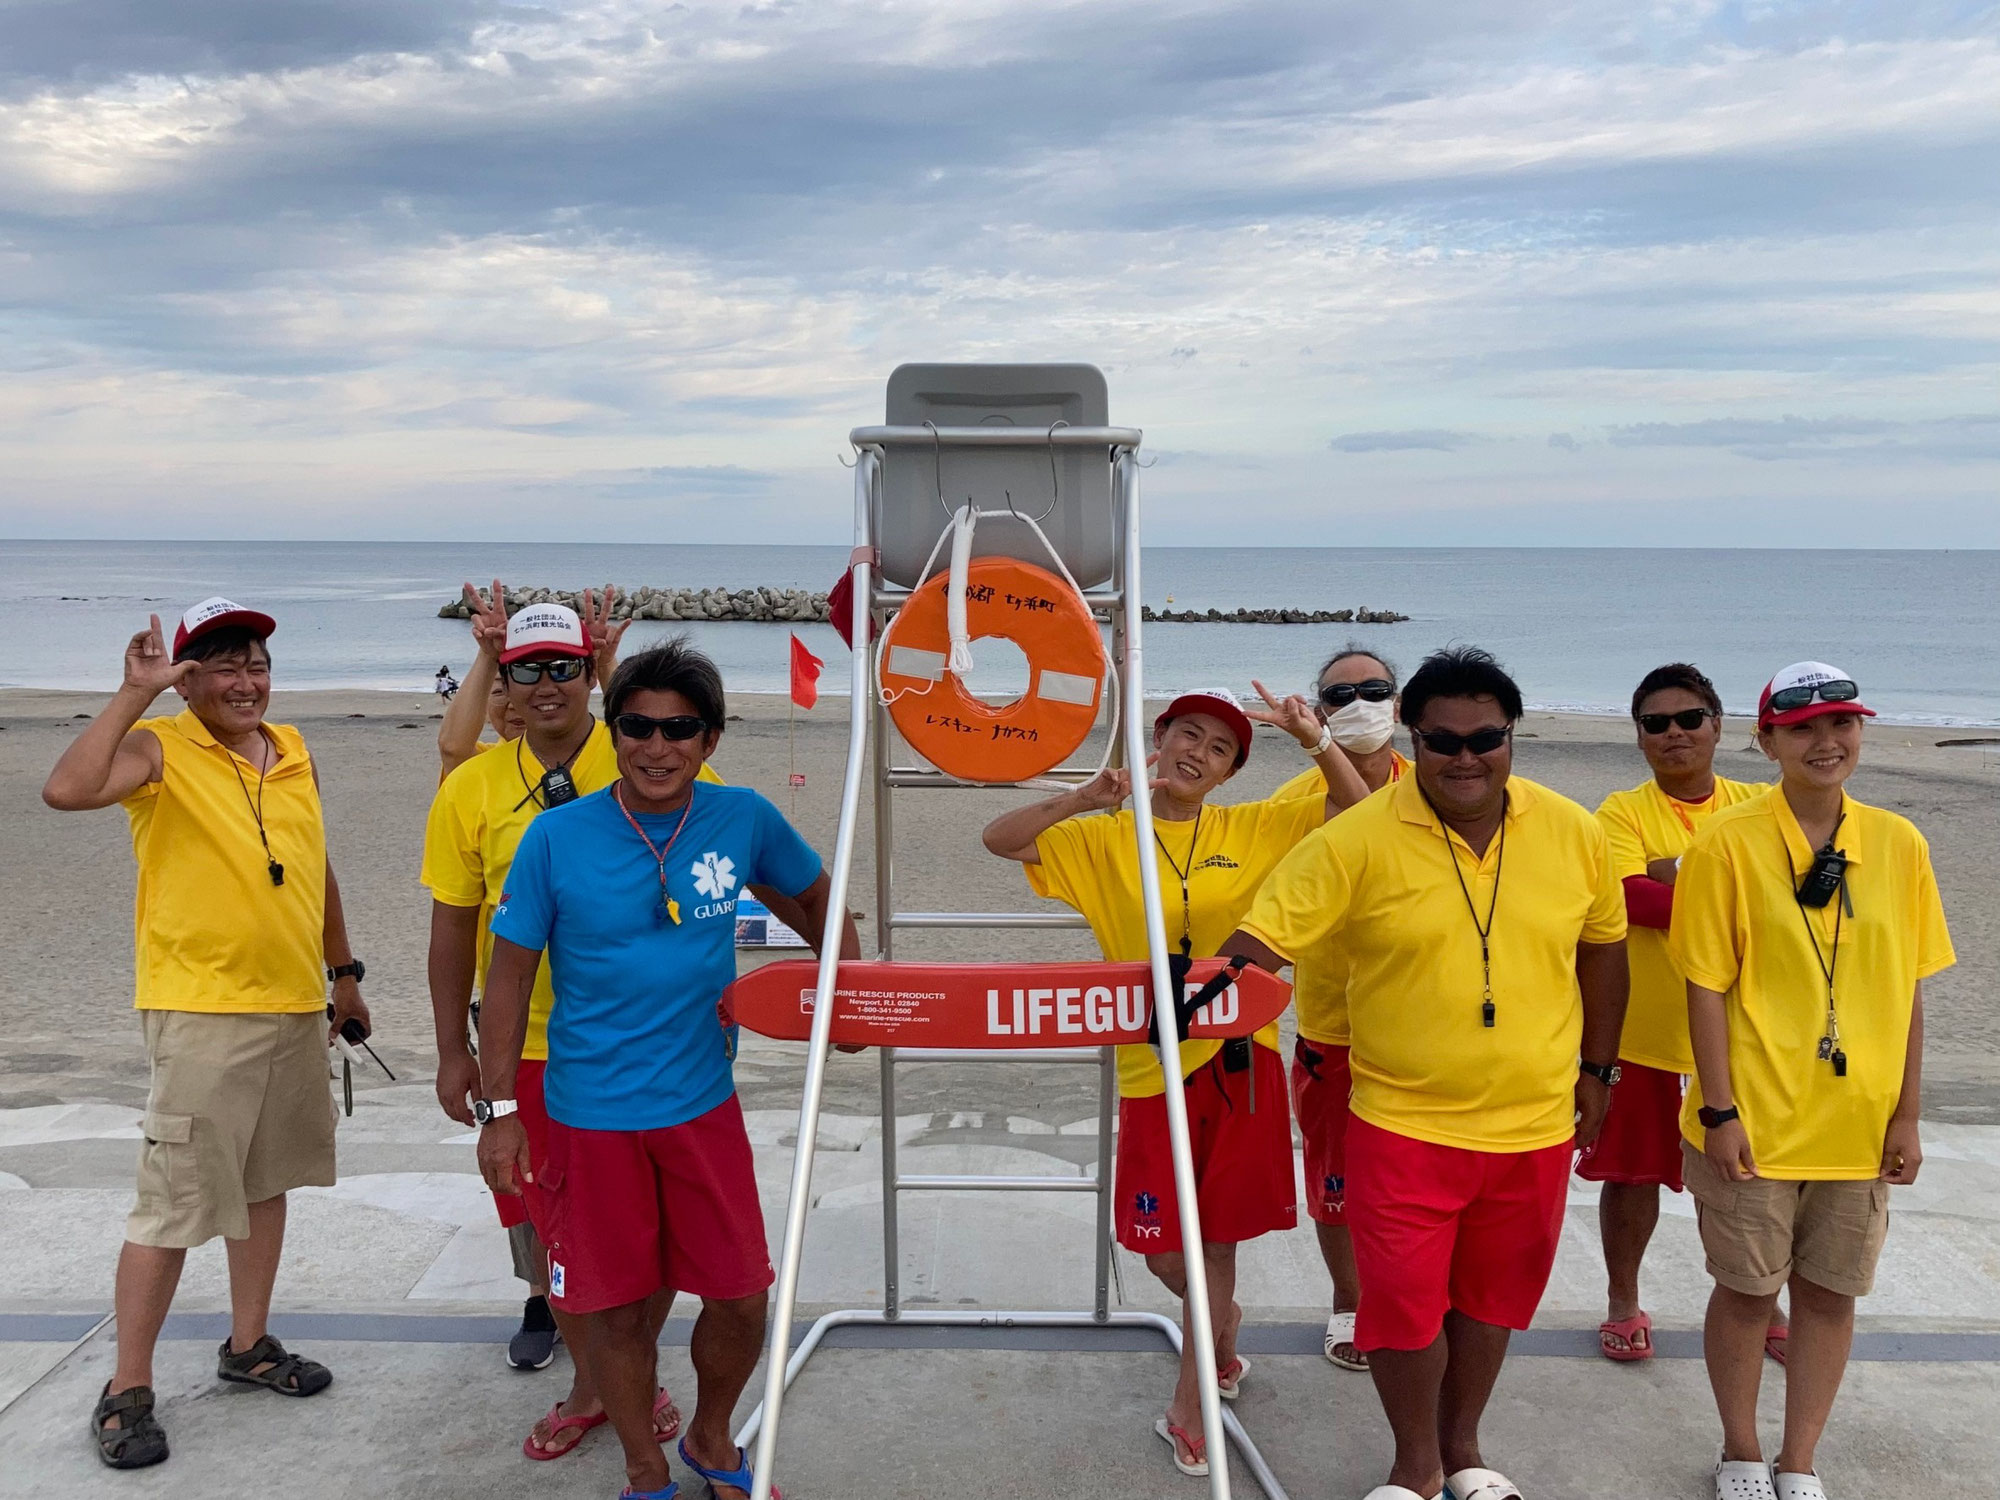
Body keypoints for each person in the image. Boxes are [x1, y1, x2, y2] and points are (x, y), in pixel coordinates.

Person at [1226, 646, 1628, 1500]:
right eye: (1443, 741)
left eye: (1487, 736)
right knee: (1401, 1309)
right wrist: (1181, 998)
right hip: (1401, 1122)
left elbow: (1604, 947)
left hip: (1534, 1125)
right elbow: (1261, 939)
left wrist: (1600, 1067)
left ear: (1513, 736)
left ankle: (1466, 1452)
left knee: (1490, 1302)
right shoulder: (1355, 835)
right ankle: (1413, 1468)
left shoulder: (1574, 830)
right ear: (1416, 736)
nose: (1466, 756)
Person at [476, 638, 857, 1500]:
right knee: (609, 1308)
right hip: (587, 1113)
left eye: (680, 728)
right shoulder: (554, 837)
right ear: (613, 734)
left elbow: (813, 895)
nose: (658, 747)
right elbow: (506, 980)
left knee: (741, 1297)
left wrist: (847, 994)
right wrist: (500, 1111)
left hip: (700, 1105)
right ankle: (644, 1466)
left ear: (710, 740)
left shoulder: (744, 816)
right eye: (638, 728)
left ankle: (712, 1437)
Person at [983, 685, 1368, 1477]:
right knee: (1162, 1249)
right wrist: (1085, 795)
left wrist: (1315, 737)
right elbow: (999, 838)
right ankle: (1219, 1328)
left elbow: (1360, 813)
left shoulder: (1253, 827)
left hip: (1240, 1058)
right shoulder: (1103, 838)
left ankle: (1193, 1399)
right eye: (1187, 734)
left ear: (1228, 775)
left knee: (1213, 1239)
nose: (1199, 751)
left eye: (1219, 748)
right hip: (1148, 1065)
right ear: (1157, 739)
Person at [42, 598, 371, 1471]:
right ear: (186, 678)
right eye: (222, 664)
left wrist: (342, 976)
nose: (245, 681)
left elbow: (314, 864)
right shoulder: (159, 750)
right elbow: (66, 789)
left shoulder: (293, 750)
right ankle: (127, 1389)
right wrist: (130, 695)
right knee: (174, 1205)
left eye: (256, 662)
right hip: (201, 1012)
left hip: (294, 1006)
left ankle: (249, 1346)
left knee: (268, 1185)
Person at [426, 605, 729, 1453]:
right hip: (525, 1053)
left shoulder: (642, 746)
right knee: (554, 1237)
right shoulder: (471, 788)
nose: (547, 683)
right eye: (527, 668)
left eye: (565, 666)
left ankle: (629, 1375)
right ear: (504, 679)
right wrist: (454, 1053)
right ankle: (596, 1383)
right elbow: (453, 931)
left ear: (594, 672)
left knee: (654, 1233)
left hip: (651, 1046)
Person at [1671, 663, 1952, 1500]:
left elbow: (1907, 989)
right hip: (1754, 1121)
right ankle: (1741, 1452)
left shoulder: (1899, 844)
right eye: (1802, 729)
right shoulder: (1726, 844)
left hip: (1858, 1129)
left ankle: (1800, 1460)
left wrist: (1908, 1114)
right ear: (1766, 742)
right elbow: (1705, 989)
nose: (1825, 742)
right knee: (1748, 1293)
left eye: (1842, 724)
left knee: (1830, 1297)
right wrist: (1718, 1110)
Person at [1586, 664, 1769, 1362]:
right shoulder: (1621, 811)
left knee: (1753, 1182)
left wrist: (1677, 870)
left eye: (1689, 718)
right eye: (1656, 723)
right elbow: (1631, 900)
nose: (1674, 733)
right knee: (1632, 1183)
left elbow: (1791, 896)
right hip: (1645, 1036)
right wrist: (1721, 888)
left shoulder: (1761, 800)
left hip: (1746, 1041)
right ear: (1639, 737)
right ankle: (1623, 1301)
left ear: (1718, 727)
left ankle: (1763, 1301)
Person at [1270, 647, 1408, 1372]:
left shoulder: (1443, 785)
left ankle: (1410, 1299)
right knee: (1335, 1179)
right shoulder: (1295, 803)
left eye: (1375, 689)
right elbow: (1365, 827)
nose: (1360, 702)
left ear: (1400, 700)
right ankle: (1349, 1302)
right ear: (1320, 710)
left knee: (1414, 1181)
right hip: (1332, 1025)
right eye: (1341, 694)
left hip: (1424, 1026)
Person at [438, 581, 628, 779]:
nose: (544, 688)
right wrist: (487, 655)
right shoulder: (482, 768)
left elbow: (640, 728)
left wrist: (604, 663)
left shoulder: (619, 750)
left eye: (562, 669)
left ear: (591, 677)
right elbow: (453, 749)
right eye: (524, 674)